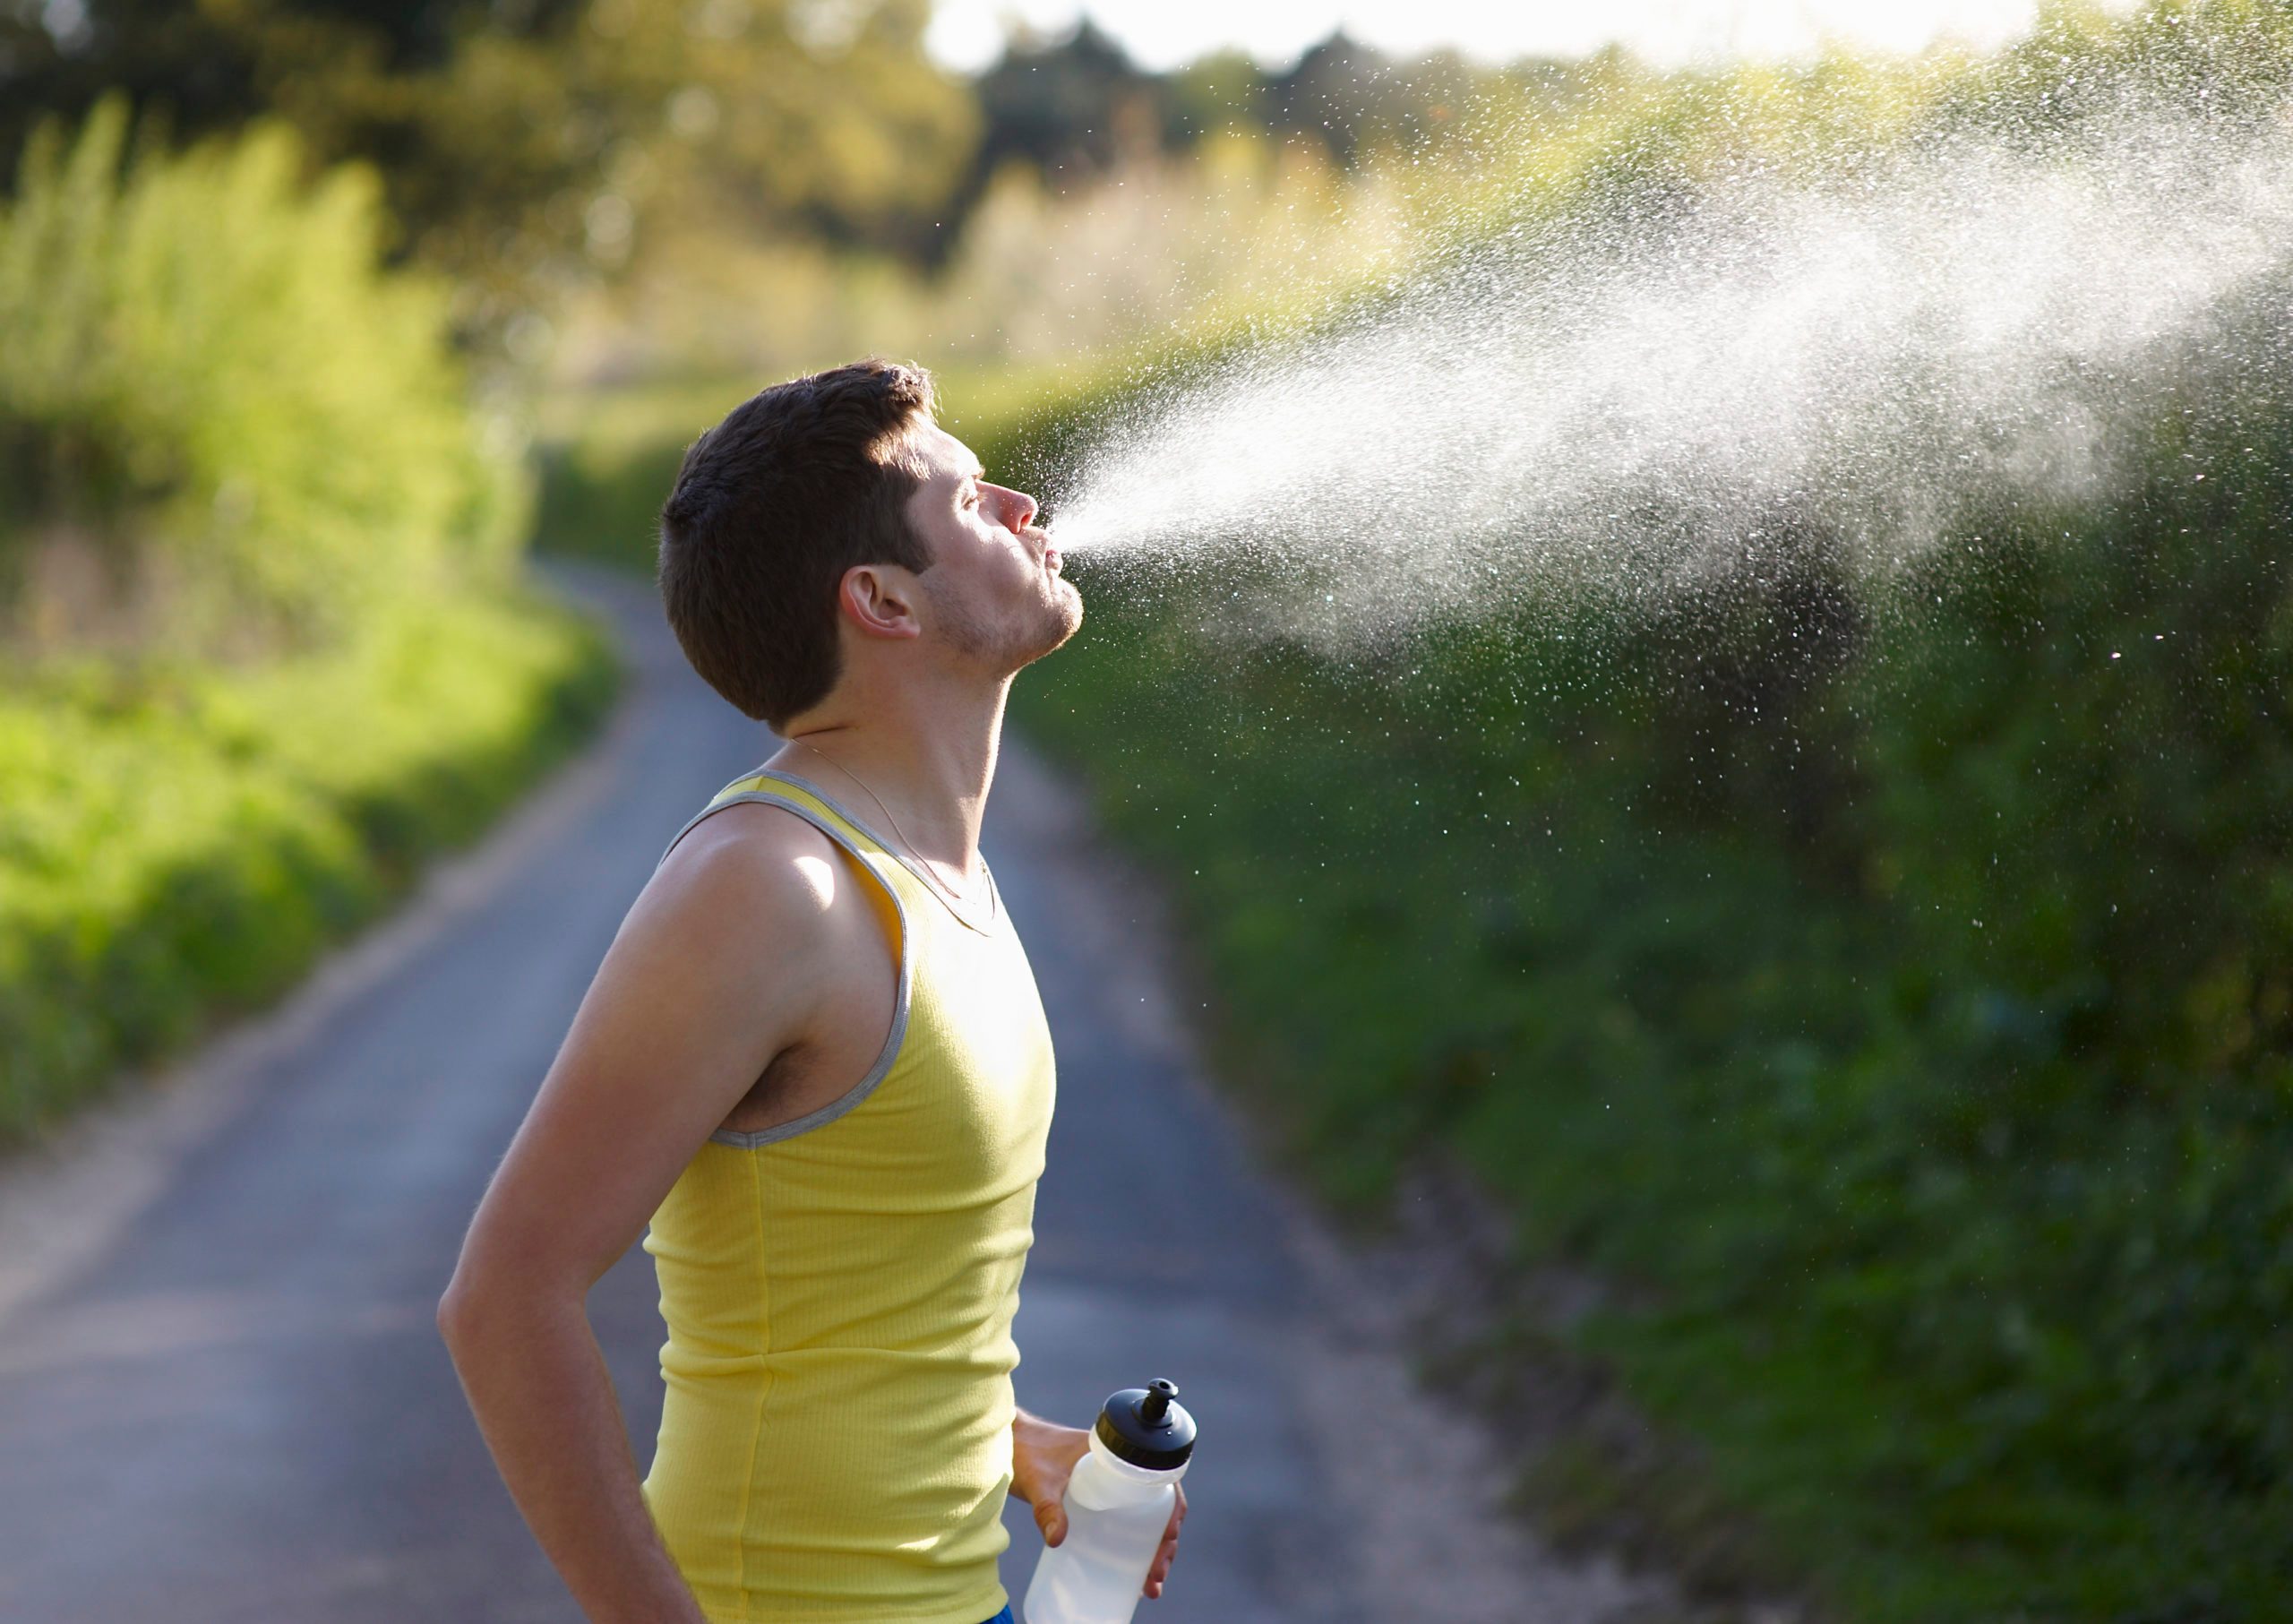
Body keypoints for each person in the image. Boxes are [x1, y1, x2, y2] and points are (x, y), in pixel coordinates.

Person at [437, 357, 1184, 1624]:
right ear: (883, 598)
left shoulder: (930, 873)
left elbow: (849, 1297)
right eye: (964, 500)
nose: (1016, 502)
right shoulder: (768, 884)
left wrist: (1016, 1442)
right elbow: (505, 1297)